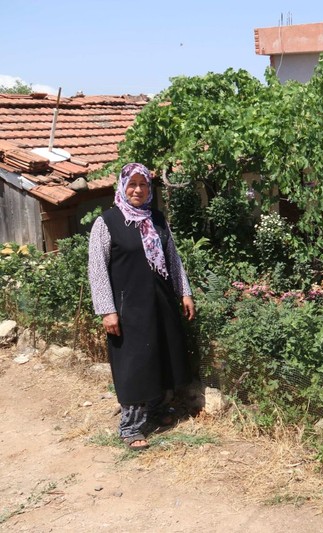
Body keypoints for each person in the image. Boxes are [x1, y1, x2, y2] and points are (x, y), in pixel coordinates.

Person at [88, 162, 196, 451]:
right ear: (123, 187)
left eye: (144, 184)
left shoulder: (156, 218)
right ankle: (131, 426)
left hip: (160, 302)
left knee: (161, 355)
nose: (138, 189)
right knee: (134, 364)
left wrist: (184, 292)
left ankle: (158, 411)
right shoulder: (107, 222)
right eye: (132, 184)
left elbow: (173, 258)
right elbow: (97, 269)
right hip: (127, 308)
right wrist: (106, 310)